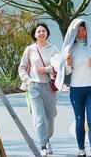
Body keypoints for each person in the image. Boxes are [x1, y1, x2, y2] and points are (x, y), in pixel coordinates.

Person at [54, 19, 91, 157]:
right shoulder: (70, 49)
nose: (81, 33)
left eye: (83, 30)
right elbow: (66, 73)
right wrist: (68, 64)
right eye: (78, 31)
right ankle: (81, 149)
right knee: (79, 120)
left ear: (87, 31)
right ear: (73, 33)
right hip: (76, 90)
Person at [18, 22, 60, 156]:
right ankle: (43, 145)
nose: (41, 33)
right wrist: (29, 81)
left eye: (43, 31)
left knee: (51, 116)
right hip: (34, 87)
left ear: (47, 33)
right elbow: (22, 68)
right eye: (38, 32)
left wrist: (46, 69)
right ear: (35, 35)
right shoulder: (29, 50)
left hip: (49, 86)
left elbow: (60, 67)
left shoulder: (53, 49)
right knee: (39, 118)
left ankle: (47, 139)